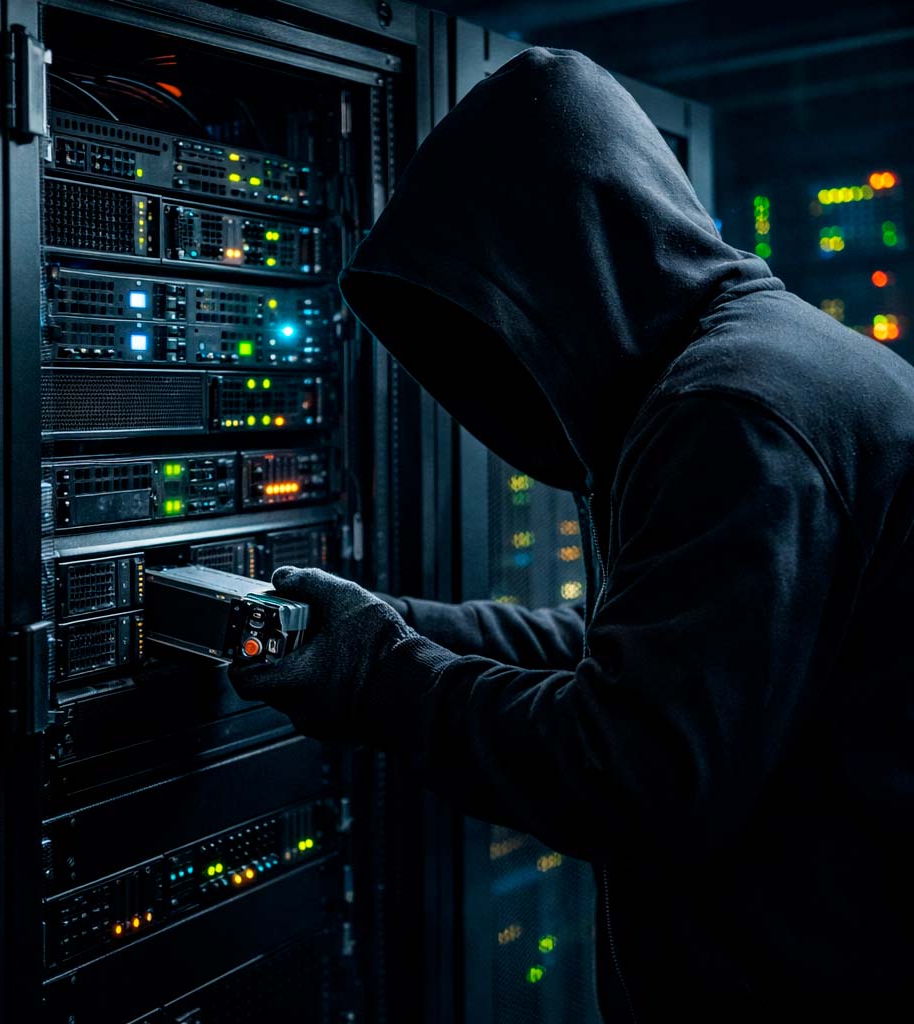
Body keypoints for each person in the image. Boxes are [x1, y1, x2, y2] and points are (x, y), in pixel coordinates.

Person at [234, 47, 914, 1020]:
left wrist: (377, 674)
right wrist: (390, 623)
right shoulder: (756, 368)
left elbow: (635, 775)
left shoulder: (735, 410)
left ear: (558, 258)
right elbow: (648, 652)